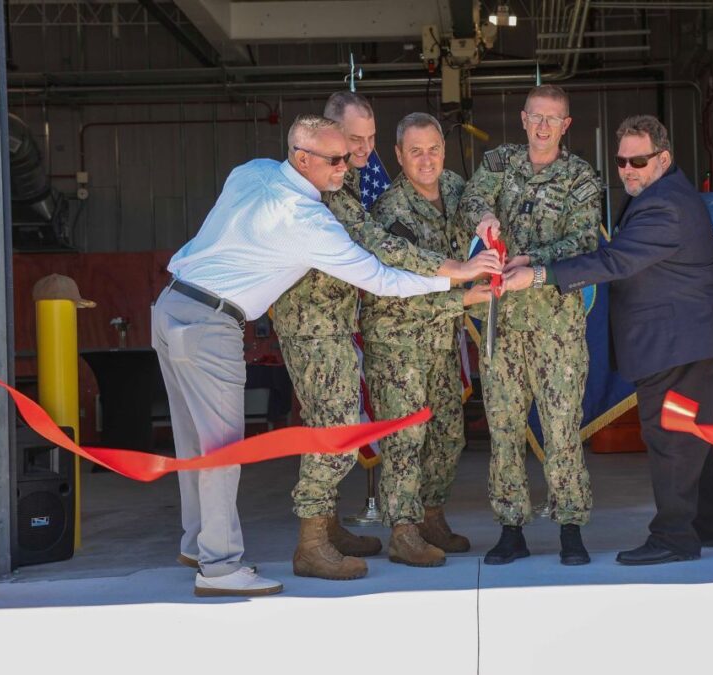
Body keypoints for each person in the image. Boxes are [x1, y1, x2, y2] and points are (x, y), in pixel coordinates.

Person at [152, 114, 496, 596]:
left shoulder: (252, 171)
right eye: (336, 159)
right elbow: (379, 277)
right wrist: (455, 277)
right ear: (302, 157)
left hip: (172, 307)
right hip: (212, 323)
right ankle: (220, 568)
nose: (348, 165)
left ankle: (198, 542)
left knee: (194, 445)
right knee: (222, 452)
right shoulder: (306, 217)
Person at [272, 94, 495, 581]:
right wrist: (456, 275)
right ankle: (380, 532)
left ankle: (343, 527)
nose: (364, 151)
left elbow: (469, 195)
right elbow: (384, 251)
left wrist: (482, 224)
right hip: (323, 324)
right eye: (356, 141)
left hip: (348, 319)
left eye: (371, 139)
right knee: (359, 432)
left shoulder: (352, 179)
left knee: (430, 433)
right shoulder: (331, 189)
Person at [503, 115, 713, 565]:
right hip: (684, 340)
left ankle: (674, 537)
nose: (627, 169)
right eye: (621, 160)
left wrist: (539, 273)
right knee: (690, 438)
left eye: (638, 160)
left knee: (671, 440)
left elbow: (617, 260)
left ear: (663, 158)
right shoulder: (663, 193)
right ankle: (707, 524)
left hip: (675, 343)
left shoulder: (665, 204)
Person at [461, 84, 601, 566]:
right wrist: (483, 220)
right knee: (503, 427)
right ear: (522, 119)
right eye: (535, 116)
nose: (542, 126)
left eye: (552, 119)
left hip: (556, 326)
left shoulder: (581, 177)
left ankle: (570, 526)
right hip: (502, 324)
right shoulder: (501, 163)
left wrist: (531, 260)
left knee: (562, 427)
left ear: (566, 126)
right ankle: (511, 528)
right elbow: (473, 196)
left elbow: (584, 244)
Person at [362, 113, 473, 567]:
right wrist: (466, 299)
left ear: (443, 151)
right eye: (415, 152)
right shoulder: (390, 212)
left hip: (443, 340)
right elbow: (394, 296)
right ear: (398, 156)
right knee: (406, 441)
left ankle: (431, 516)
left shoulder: (457, 190)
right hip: (398, 344)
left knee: (448, 435)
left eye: (433, 149)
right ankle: (403, 531)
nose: (426, 160)